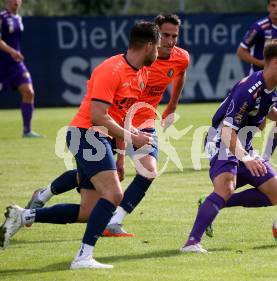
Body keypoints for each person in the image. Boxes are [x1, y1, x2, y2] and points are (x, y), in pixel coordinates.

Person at [0, 21, 160, 269]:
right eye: (158, 47)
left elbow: (119, 115)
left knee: (88, 211)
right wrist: (132, 137)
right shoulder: (112, 69)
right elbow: (98, 116)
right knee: (114, 195)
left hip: (101, 138)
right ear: (149, 46)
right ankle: (83, 257)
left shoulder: (141, 74)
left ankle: (24, 215)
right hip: (86, 134)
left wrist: (119, 156)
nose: (159, 53)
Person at [22, 14, 190, 238]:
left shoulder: (179, 58)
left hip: (139, 124)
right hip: (109, 125)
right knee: (96, 179)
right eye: (165, 36)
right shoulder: (135, 62)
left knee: (147, 171)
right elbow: (109, 109)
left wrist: (172, 106)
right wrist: (121, 148)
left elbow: (180, 76)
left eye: (174, 36)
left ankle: (113, 222)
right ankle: (44, 196)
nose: (170, 41)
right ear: (154, 39)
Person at [181, 39, 277, 253]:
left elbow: (266, 108)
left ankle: (212, 202)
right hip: (221, 140)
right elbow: (225, 130)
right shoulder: (248, 89)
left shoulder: (276, 86)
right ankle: (192, 243)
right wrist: (246, 157)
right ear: (276, 62)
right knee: (225, 186)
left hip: (243, 143)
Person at [236, 0, 277, 160]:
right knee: (260, 123)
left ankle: (266, 158)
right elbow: (241, 51)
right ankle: (231, 142)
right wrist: (262, 63)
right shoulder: (259, 27)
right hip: (259, 82)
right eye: (273, 5)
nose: (276, 9)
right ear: (268, 8)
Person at [0, 0, 42, 137]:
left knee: (29, 92)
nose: (15, 1)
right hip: (2, 64)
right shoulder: (2, 17)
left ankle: (27, 130)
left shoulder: (18, 18)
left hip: (16, 64)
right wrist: (12, 51)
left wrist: (14, 54)